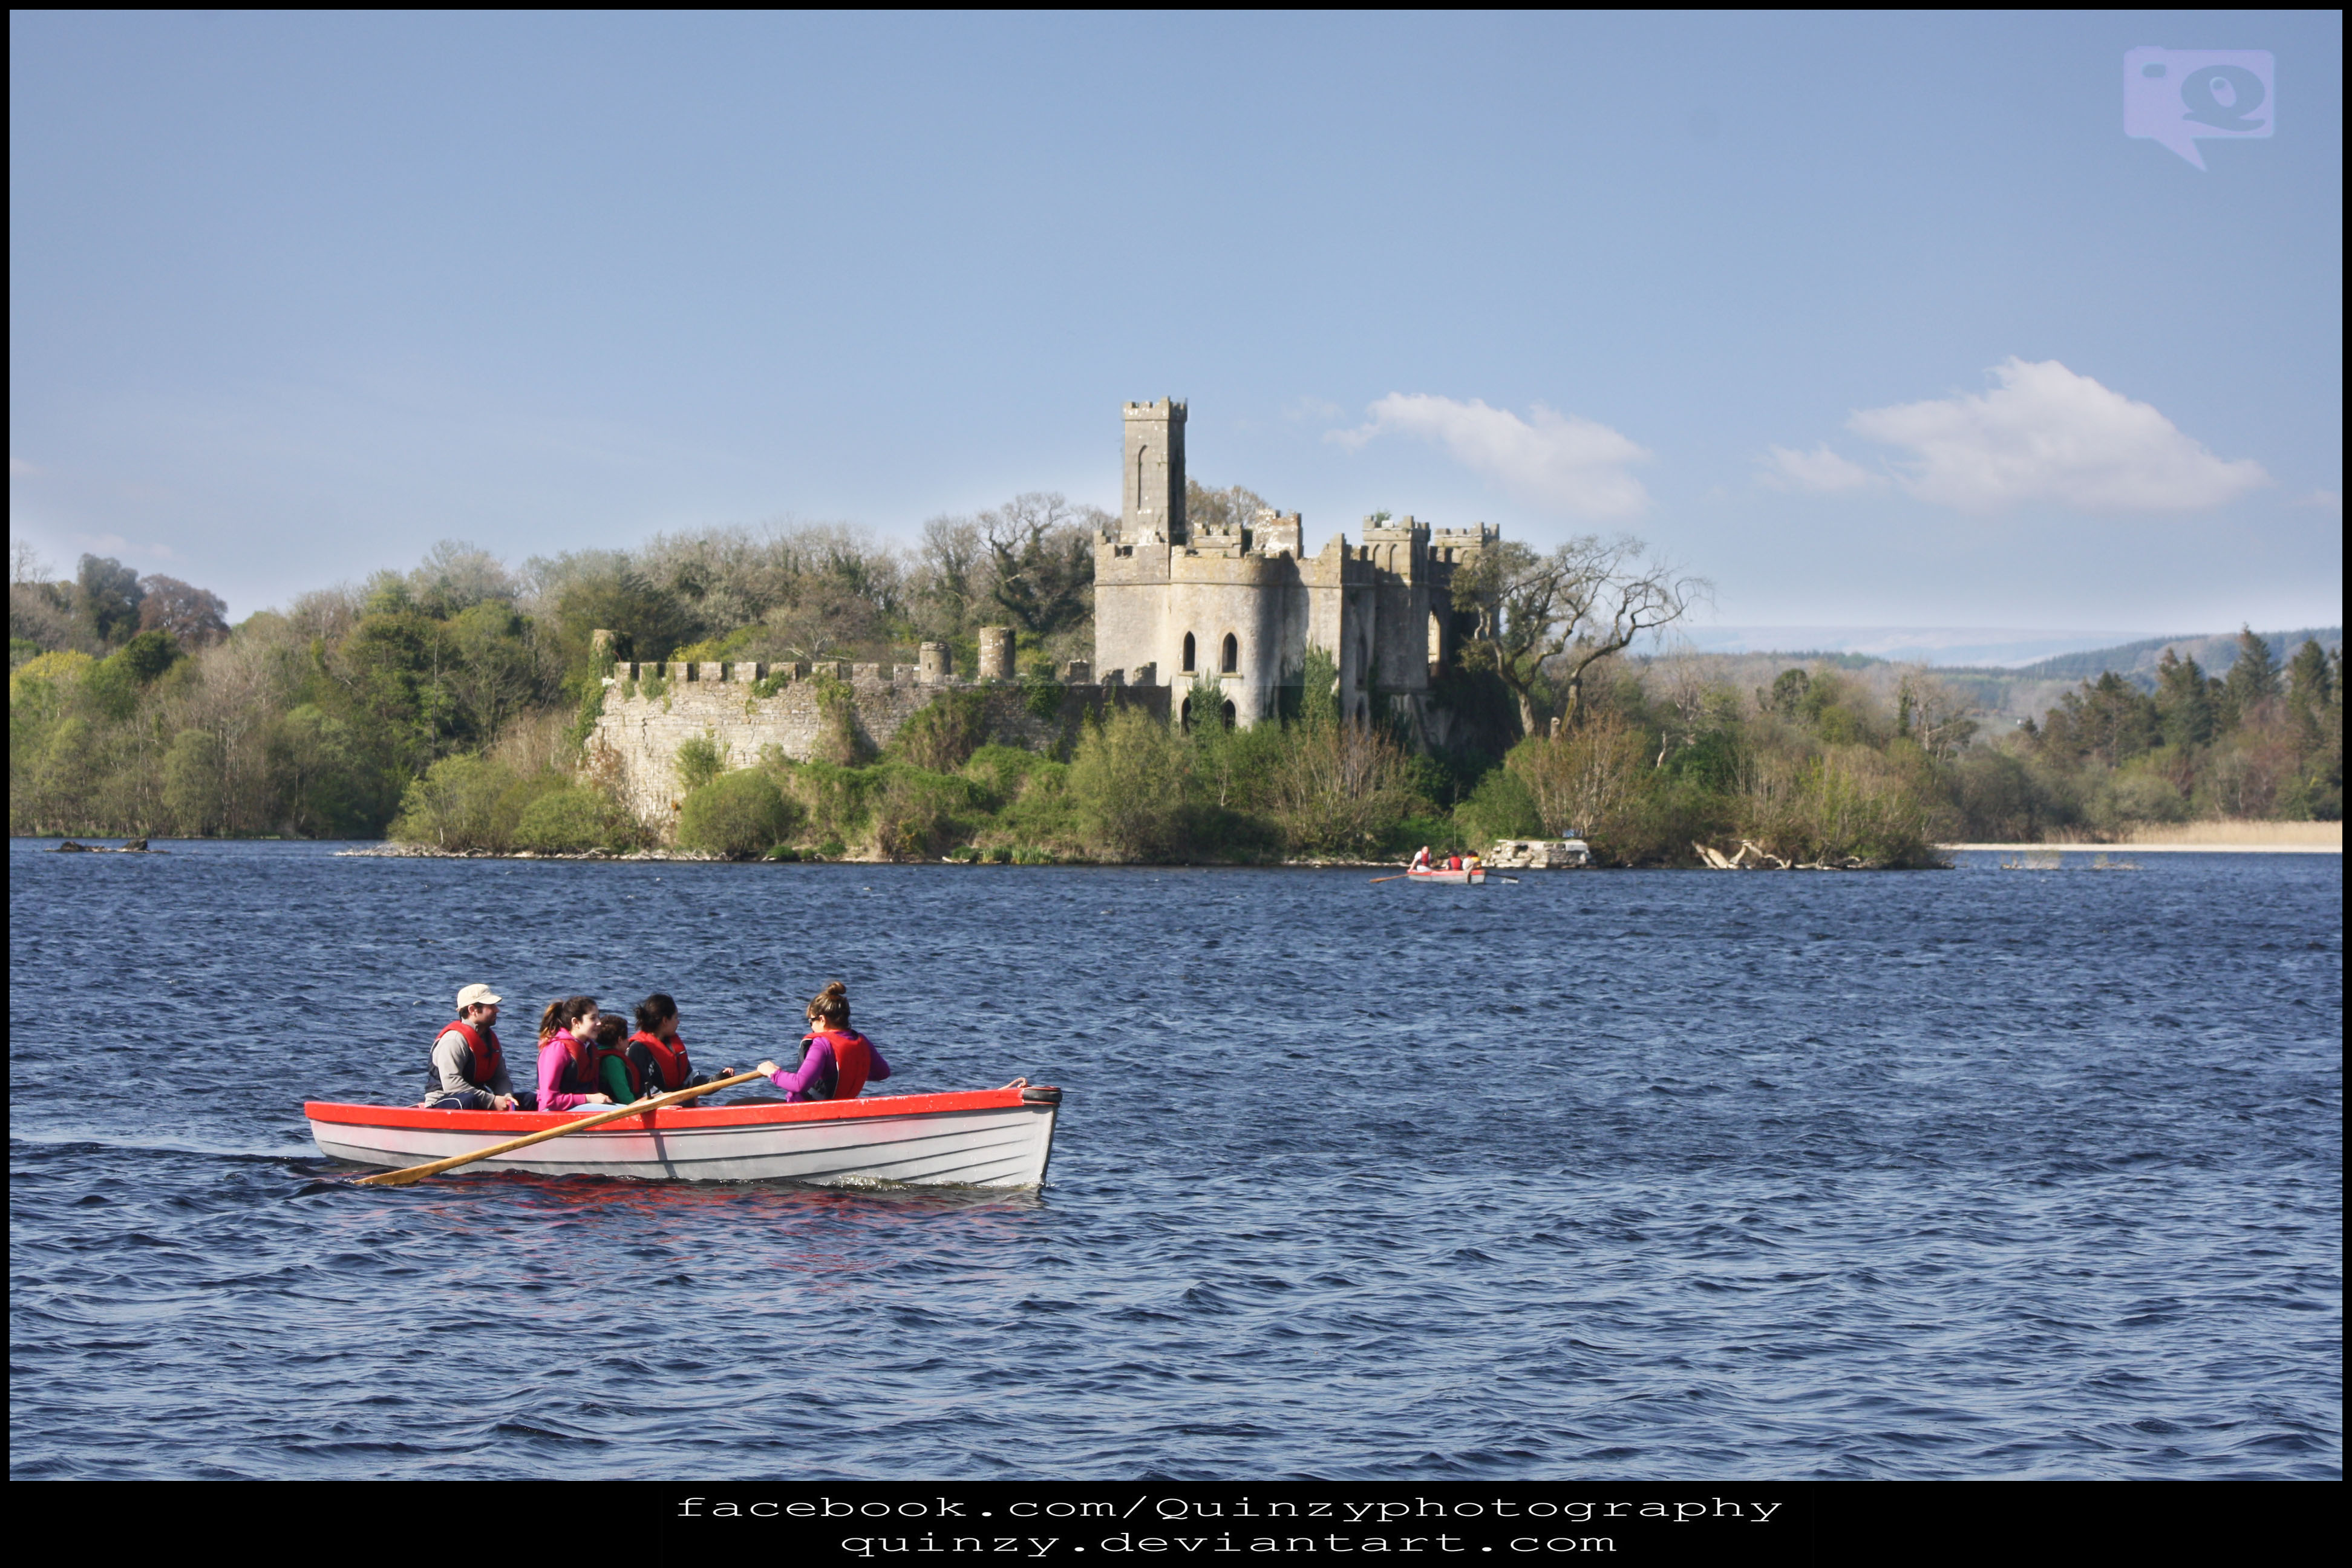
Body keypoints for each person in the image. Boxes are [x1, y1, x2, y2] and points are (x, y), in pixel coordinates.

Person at [757, 981, 892, 1104]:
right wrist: (846, 1075)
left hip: (803, 1110)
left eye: (811, 1021)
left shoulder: (822, 1045)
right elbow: (882, 1073)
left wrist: (772, 1073)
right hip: (841, 1108)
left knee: (738, 1105)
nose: (811, 1027)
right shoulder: (861, 1040)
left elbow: (799, 1084)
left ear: (822, 1020)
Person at [422, 982, 525, 1111]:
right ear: (473, 1010)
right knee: (470, 1101)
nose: (497, 1010)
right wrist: (492, 1101)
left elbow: (500, 1078)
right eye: (491, 1006)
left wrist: (507, 1098)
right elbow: (452, 1085)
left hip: (478, 1098)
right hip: (444, 1100)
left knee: (528, 1099)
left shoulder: (489, 1040)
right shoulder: (453, 1040)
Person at [535, 995, 614, 1112]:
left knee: (622, 1109)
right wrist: (588, 1098)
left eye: (599, 1017)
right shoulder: (557, 1048)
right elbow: (550, 1100)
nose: (599, 1023)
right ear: (576, 1022)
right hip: (553, 1111)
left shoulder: (589, 1048)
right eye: (593, 1018)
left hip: (580, 1108)